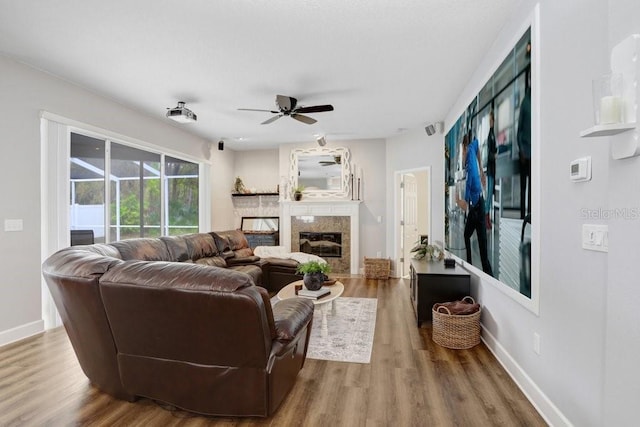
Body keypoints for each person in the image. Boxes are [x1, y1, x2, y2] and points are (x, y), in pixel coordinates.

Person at [456, 133, 493, 276]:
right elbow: (477, 145)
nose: (461, 155)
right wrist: (482, 170)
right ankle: (484, 271)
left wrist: (460, 201)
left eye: (461, 152)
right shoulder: (472, 147)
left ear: (464, 148)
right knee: (482, 246)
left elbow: (465, 203)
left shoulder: (469, 169)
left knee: (467, 235)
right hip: (480, 204)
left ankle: (470, 266)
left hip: (475, 208)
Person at [517, 66, 531, 220]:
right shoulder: (525, 104)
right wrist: (521, 150)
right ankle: (523, 215)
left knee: (532, 187)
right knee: (523, 187)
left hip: (533, 153)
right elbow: (519, 129)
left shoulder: (533, 103)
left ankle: (530, 215)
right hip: (525, 153)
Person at [485, 110, 497, 229]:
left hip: (492, 169)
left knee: (490, 194)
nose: (491, 122)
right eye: (490, 120)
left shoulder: (493, 134)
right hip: (490, 169)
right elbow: (489, 154)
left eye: (491, 120)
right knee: (488, 195)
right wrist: (494, 155)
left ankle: (486, 218)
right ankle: (485, 218)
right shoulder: (490, 135)